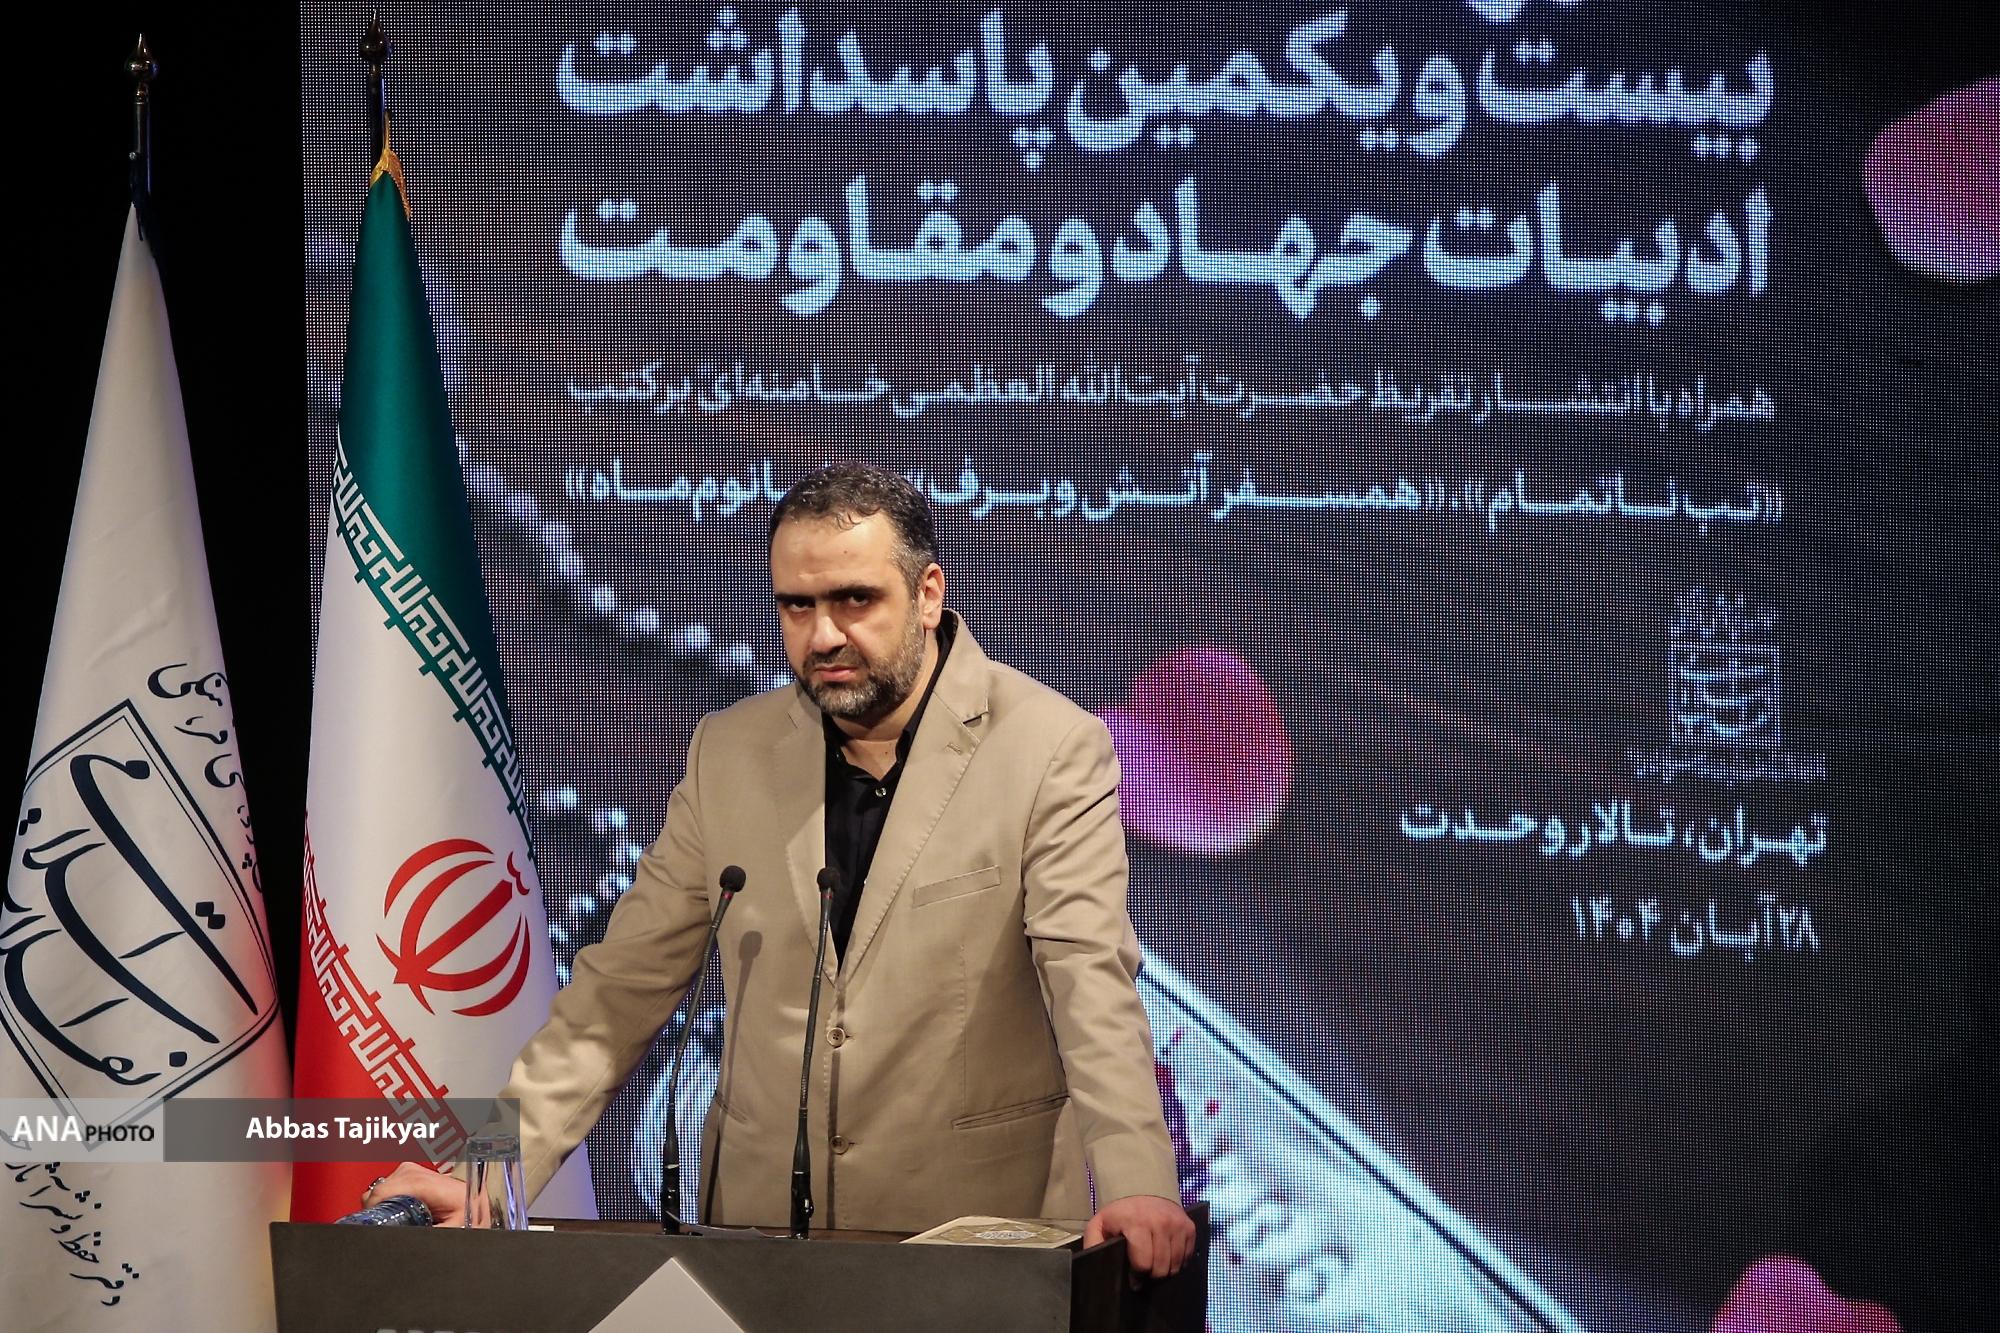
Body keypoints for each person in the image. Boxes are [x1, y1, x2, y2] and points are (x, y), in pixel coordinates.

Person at [369, 464, 1194, 1276]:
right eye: (797, 605)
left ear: (928, 595)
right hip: (755, 1247)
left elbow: (1089, 979)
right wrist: (484, 1177)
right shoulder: (729, 750)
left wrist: (1140, 1182)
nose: (823, 635)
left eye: (854, 600)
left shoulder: (1050, 747)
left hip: (972, 1244)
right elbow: (611, 996)